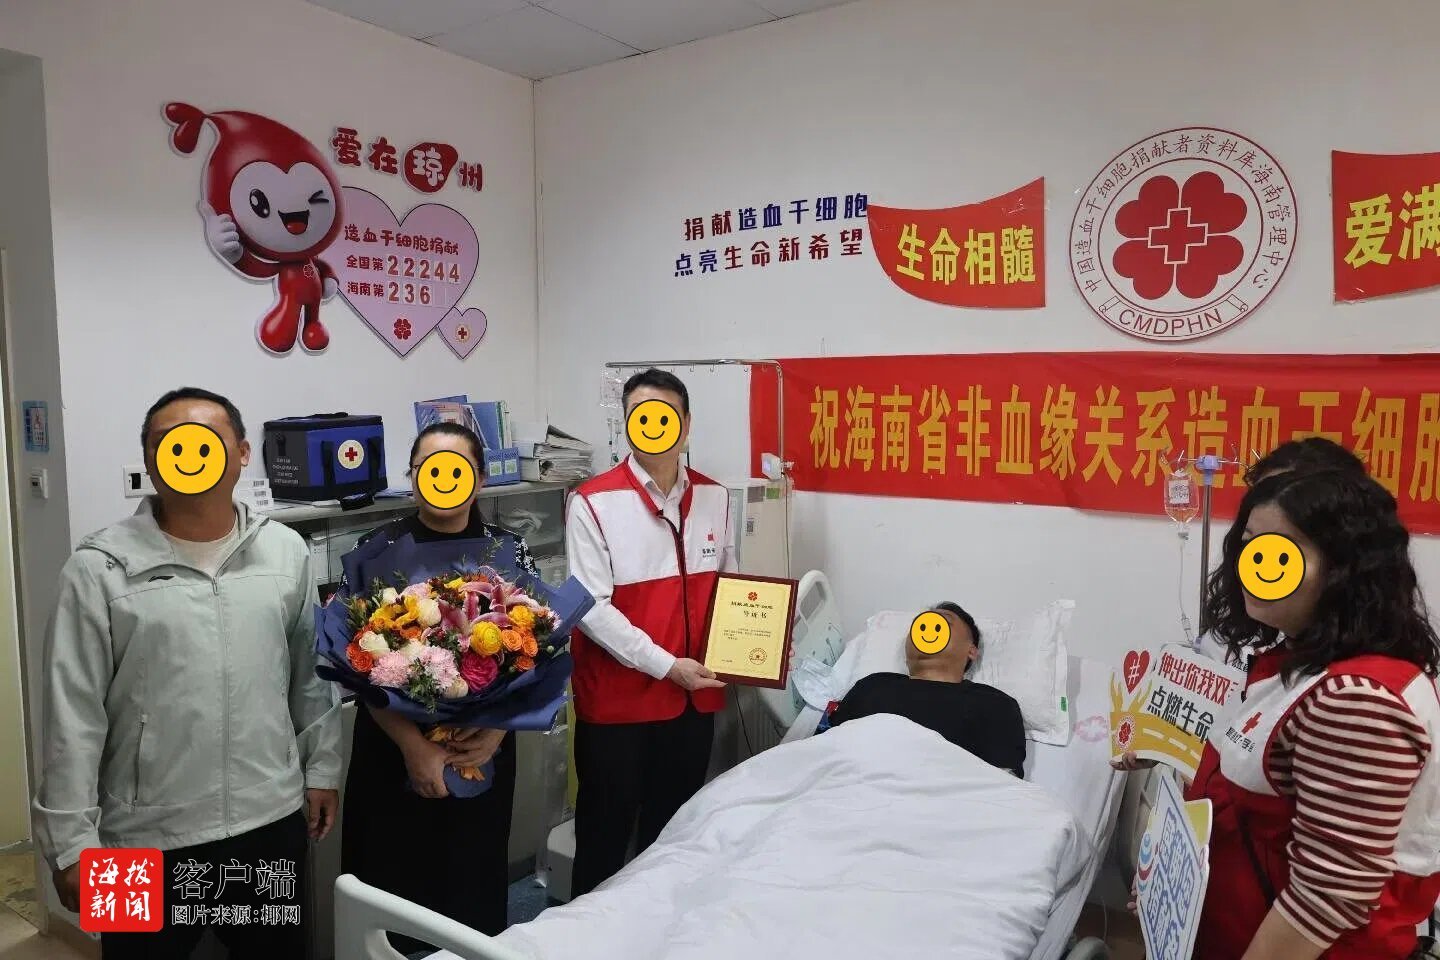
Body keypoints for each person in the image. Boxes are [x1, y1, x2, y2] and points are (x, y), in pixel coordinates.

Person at [33, 387, 341, 959]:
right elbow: (71, 716)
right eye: (166, 444)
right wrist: (70, 845)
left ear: (242, 453)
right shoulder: (96, 568)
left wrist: (322, 769)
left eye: (206, 442)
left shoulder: (285, 552)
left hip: (268, 820)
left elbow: (308, 676)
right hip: (135, 838)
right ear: (150, 459)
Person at [1184, 469, 1440, 959]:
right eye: (1249, 547)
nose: (1251, 567)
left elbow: (1325, 898)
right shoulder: (1301, 664)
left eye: (1280, 555)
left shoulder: (1357, 701)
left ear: (1345, 570)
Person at [340, 422, 537, 948]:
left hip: (481, 748)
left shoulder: (509, 552)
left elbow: (537, 651)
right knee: (391, 896)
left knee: (472, 888)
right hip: (392, 748)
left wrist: (495, 733)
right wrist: (413, 747)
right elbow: (353, 662)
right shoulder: (374, 551)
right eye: (429, 468)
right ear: (412, 477)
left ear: (479, 478)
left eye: (458, 469)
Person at [565, 368, 734, 897]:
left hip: (692, 702)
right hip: (619, 706)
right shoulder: (592, 501)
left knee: (672, 838)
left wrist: (758, 642)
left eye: (665, 416)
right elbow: (591, 608)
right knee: (604, 838)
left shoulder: (716, 497)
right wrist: (666, 665)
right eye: (641, 416)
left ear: (686, 424)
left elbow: (729, 585)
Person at [829, 602, 1026, 776]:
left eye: (942, 623)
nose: (928, 631)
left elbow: (1003, 784)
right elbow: (827, 751)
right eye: (921, 626)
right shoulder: (871, 686)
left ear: (972, 651)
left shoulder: (994, 703)